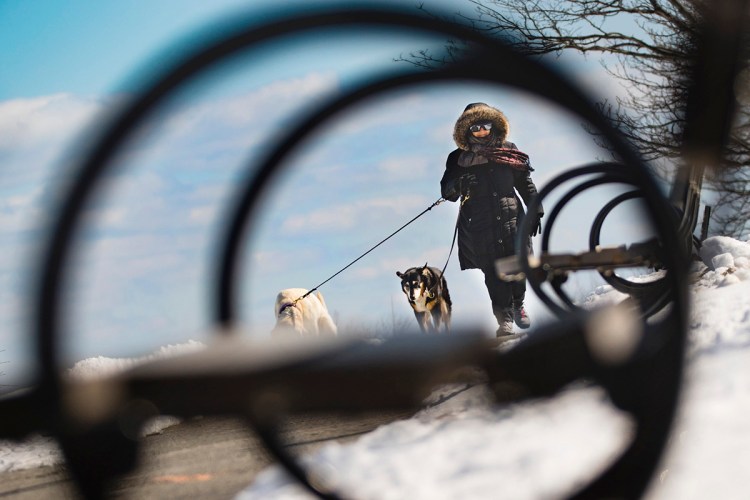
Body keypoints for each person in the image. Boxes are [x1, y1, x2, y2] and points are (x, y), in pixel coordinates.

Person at [440, 103, 543, 337]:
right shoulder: (458, 159)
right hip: (480, 224)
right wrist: (459, 185)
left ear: (493, 125)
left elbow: (525, 183)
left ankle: (519, 305)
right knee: (494, 273)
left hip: (512, 218)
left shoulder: (509, 149)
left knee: (518, 265)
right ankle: (504, 320)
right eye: (475, 127)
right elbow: (447, 192)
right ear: (466, 130)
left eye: (485, 125)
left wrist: (536, 210)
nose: (481, 131)